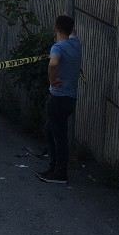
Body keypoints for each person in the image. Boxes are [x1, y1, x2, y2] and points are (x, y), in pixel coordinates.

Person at [37, 15, 82, 185]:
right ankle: (54, 167)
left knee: (58, 135)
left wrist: (52, 79)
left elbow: (53, 64)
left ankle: (60, 173)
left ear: (56, 28)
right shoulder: (76, 45)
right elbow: (73, 33)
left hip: (58, 96)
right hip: (69, 97)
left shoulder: (58, 47)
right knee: (51, 130)